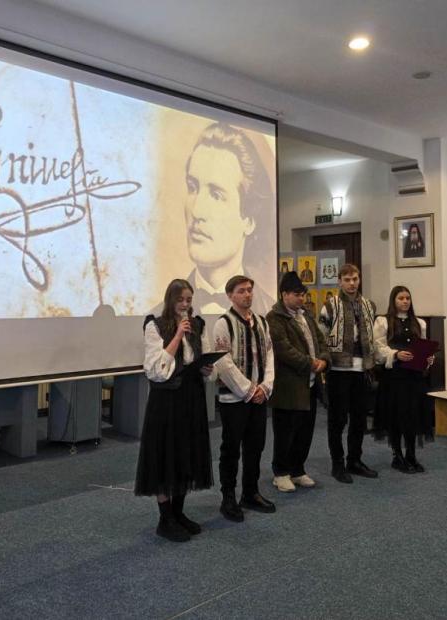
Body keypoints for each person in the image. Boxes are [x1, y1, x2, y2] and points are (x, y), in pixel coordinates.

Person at [135, 279, 214, 543]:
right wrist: (178, 335)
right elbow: (156, 370)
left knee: (186, 455)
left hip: (191, 398)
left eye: (189, 300)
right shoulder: (155, 326)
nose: (185, 305)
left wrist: (206, 368)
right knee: (164, 456)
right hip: (166, 401)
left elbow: (198, 359)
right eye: (180, 300)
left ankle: (179, 512)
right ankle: (165, 518)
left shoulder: (198, 325)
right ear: (170, 300)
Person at [184, 122, 276, 315]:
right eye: (193, 188)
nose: (197, 211)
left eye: (216, 195)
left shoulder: (269, 311)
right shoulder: (160, 314)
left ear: (249, 220)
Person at [212, 275, 276, 521]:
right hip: (234, 399)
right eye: (241, 291)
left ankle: (250, 492)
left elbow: (269, 356)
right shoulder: (223, 323)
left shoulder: (261, 321)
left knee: (255, 447)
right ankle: (228, 497)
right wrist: (248, 390)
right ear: (230, 295)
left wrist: (265, 387)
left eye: (249, 290)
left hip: (259, 397)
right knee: (231, 449)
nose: (247, 294)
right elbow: (223, 363)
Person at [266, 271, 330, 493]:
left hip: (309, 383)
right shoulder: (274, 318)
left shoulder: (307, 315)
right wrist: (310, 363)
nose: (301, 298)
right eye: (296, 294)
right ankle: (280, 473)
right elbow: (283, 349)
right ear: (284, 294)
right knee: (285, 431)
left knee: (305, 430)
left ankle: (297, 469)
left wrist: (324, 359)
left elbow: (321, 340)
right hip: (288, 385)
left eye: (303, 294)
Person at [318, 263, 379, 483]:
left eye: (355, 279)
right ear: (340, 282)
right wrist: (324, 361)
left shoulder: (369, 305)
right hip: (338, 370)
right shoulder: (330, 306)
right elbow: (321, 337)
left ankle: (355, 460)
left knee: (359, 418)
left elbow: (372, 336)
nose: (352, 283)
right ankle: (338, 463)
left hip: (362, 369)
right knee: (337, 419)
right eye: (347, 280)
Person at [374, 286, 435, 473]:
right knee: (396, 415)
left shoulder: (419, 323)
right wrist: (395, 354)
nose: (405, 301)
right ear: (394, 300)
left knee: (413, 415)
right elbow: (378, 347)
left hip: (414, 377)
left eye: (408, 298)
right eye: (401, 298)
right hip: (394, 376)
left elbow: (423, 346)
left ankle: (411, 454)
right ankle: (397, 455)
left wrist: (428, 358)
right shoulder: (384, 322)